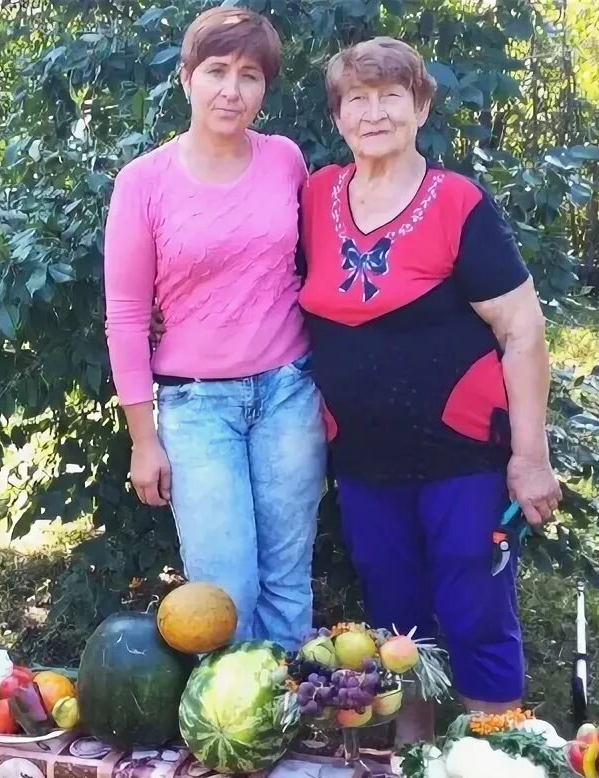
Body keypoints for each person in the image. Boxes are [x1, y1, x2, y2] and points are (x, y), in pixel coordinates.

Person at [298, 38, 562, 740]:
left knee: (474, 603)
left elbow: (523, 332)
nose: (374, 111)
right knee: (393, 609)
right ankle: (412, 750)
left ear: (420, 107)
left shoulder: (457, 203)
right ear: (338, 115)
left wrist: (530, 457)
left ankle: (496, 750)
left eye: (391, 96)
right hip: (362, 458)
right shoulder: (315, 195)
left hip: (465, 454)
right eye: (358, 97)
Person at [103, 7, 326, 651]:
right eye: (217, 71)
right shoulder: (143, 182)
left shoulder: (285, 160)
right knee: (224, 592)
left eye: (250, 75)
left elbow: (312, 268)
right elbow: (124, 318)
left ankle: (288, 721)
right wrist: (144, 441)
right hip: (196, 408)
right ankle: (236, 726)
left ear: (265, 87)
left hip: (289, 392)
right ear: (186, 79)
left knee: (288, 576)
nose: (232, 89)